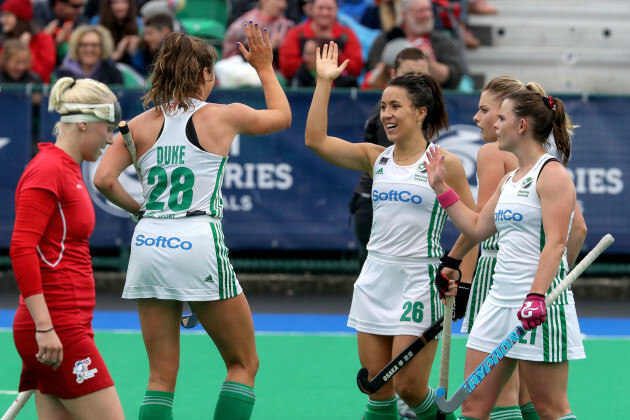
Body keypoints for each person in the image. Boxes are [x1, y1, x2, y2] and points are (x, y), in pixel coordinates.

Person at [93, 26, 291, 420]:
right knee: (242, 364)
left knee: (161, 377)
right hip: (196, 237)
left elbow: (102, 180)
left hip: (149, 241)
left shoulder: (136, 126)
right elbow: (282, 117)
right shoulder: (223, 115)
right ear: (204, 74)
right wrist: (265, 68)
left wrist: (140, 211)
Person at [305, 41, 476, 420]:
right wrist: (323, 82)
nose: (386, 114)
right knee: (378, 389)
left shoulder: (445, 164)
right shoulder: (374, 157)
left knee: (410, 388)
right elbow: (315, 141)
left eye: (395, 106)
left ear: (420, 112)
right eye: (383, 106)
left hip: (420, 280)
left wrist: (462, 282)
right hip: (375, 278)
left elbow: (475, 228)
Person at [425, 85, 587, 420]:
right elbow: (476, 228)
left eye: (501, 118)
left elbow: (557, 242)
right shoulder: (511, 179)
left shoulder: (552, 174)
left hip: (539, 305)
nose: (494, 125)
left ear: (522, 125)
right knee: (473, 406)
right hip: (497, 303)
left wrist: (537, 296)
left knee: (550, 409)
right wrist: (441, 188)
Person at [9, 76, 124, 420]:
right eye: (106, 127)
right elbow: (21, 248)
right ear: (84, 123)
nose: (110, 137)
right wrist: (45, 327)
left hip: (68, 323)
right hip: (56, 327)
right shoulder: (47, 170)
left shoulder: (68, 170)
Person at [351, 46, 430, 269]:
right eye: (410, 75)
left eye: (422, 76)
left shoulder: (417, 113)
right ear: (393, 74)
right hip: (375, 205)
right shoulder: (391, 117)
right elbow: (399, 169)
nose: (417, 81)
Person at [365, 0, 465, 90]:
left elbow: (455, 75)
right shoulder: (388, 38)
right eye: (421, 11)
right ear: (405, 14)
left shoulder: (442, 40)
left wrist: (428, 63)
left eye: (429, 10)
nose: (427, 15)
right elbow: (372, 68)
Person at [278, 0, 363, 81]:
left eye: (329, 9)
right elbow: (287, 68)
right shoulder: (296, 33)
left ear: (337, 10)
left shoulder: (347, 35)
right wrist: (312, 60)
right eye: (320, 8)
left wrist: (333, 51)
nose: (325, 13)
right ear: (312, 9)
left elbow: (356, 68)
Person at [222, 0, 295, 65]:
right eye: (278, 1)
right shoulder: (245, 22)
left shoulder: (286, 25)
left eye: (285, 1)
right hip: (242, 66)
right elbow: (230, 54)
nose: (283, 5)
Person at [0, 0, 56, 83]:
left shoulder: (43, 39)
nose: (2, 20)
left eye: (7, 15)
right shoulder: (3, 41)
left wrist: (26, 51)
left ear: (20, 17)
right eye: (2, 15)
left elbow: (43, 76)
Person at [53, 24, 124, 85]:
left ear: (103, 48)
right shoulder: (63, 76)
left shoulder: (113, 75)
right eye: (84, 45)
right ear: (76, 48)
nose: (89, 50)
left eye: (94, 45)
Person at [89, 0, 144, 66]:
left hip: (132, 70)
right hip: (104, 69)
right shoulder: (97, 23)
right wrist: (117, 53)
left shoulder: (139, 24)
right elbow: (92, 55)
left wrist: (134, 51)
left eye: (124, 2)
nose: (120, 7)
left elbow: (144, 65)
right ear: (108, 5)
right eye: (115, 2)